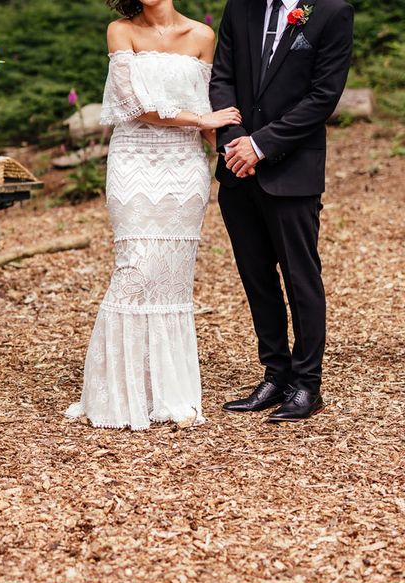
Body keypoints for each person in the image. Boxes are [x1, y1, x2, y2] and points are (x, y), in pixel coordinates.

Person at [66, 0, 241, 430]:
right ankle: (115, 395)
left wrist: (233, 144)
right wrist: (200, 118)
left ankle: (168, 392)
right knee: (135, 270)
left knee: (172, 279)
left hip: (184, 168)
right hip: (134, 163)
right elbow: (131, 104)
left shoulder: (202, 36)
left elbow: (210, 104)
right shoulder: (120, 31)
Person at [210, 0, 353, 422]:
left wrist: (261, 145)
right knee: (257, 279)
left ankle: (307, 383)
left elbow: (322, 97)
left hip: (293, 173)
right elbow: (222, 78)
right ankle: (275, 374)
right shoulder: (241, 8)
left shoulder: (332, 12)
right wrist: (237, 142)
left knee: (300, 278)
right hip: (238, 172)